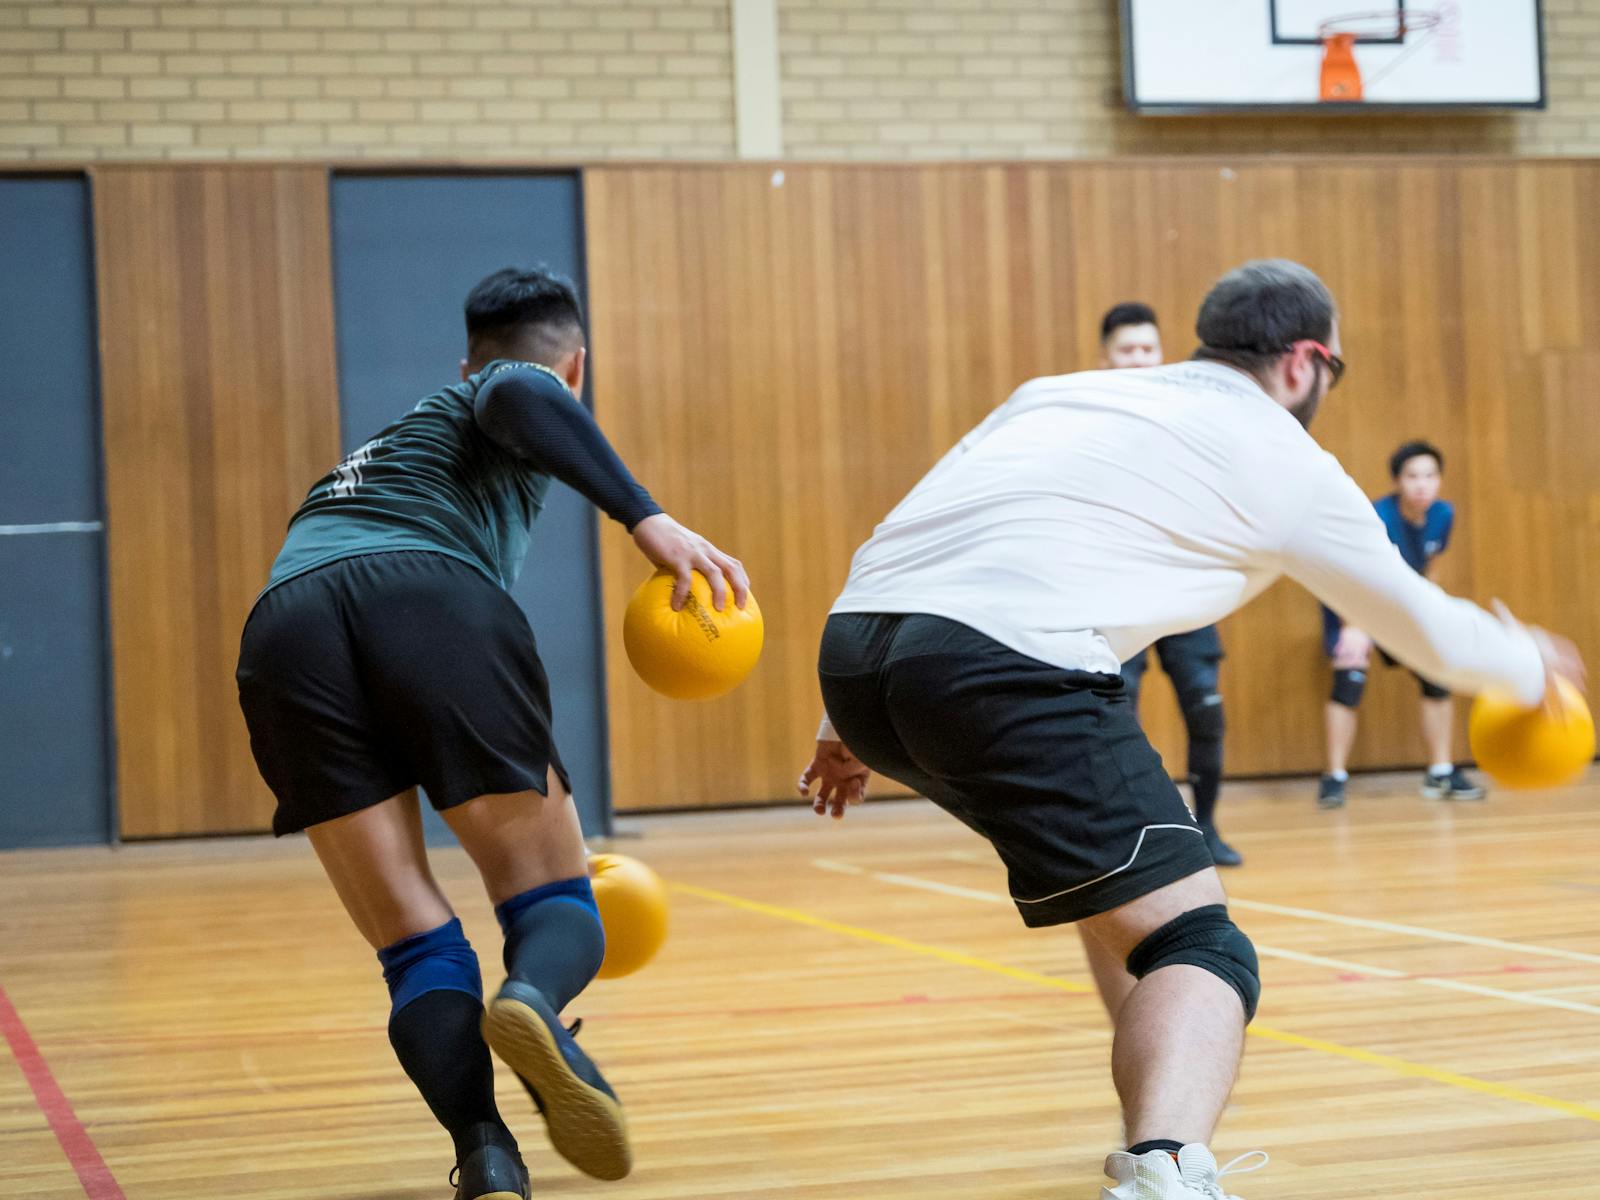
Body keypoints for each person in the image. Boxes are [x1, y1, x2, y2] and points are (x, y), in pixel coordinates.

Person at [798, 260, 1580, 1200]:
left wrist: (846, 717)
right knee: (1205, 947)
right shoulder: (1283, 456)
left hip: (859, 647)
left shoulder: (1059, 394)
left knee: (1120, 898)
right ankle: (1166, 1170)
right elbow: (1428, 631)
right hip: (1004, 667)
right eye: (1335, 370)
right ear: (1303, 361)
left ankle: (1151, 1137)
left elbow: (923, 535)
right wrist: (1535, 665)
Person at [236, 266, 748, 1200]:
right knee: (555, 900)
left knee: (412, 943)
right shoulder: (504, 386)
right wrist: (648, 519)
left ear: (458, 353)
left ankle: (486, 1153)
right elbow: (520, 389)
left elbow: (501, 389)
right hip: (426, 591)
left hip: (285, 626)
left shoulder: (391, 446)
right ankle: (533, 999)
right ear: (577, 366)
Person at [1099, 303, 1239, 868]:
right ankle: (1133, 834)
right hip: (1115, 598)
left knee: (1206, 711)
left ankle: (1207, 827)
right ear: (1106, 359)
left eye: (1147, 349)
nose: (1139, 359)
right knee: (1116, 718)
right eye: (1127, 350)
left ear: (1162, 353)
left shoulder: (1190, 423)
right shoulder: (1088, 424)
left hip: (1183, 596)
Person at [1317, 441, 1484, 809]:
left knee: (1437, 673)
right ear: (1397, 481)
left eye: (1430, 476)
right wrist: (1353, 625)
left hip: (1403, 606)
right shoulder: (1376, 517)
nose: (1422, 484)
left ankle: (1439, 773)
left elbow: (1430, 566)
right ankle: (1334, 777)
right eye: (1412, 476)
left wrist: (1436, 615)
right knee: (1349, 676)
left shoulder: (1443, 514)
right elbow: (1350, 575)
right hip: (1356, 603)